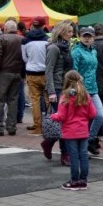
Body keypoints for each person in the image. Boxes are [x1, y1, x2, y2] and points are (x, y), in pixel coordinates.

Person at [49, 70, 97, 191]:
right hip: (83, 131)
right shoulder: (85, 95)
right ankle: (83, 181)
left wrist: (52, 116)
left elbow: (61, 116)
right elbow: (93, 113)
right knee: (84, 155)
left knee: (74, 156)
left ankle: (74, 181)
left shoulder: (65, 96)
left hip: (70, 132)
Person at [44, 20, 75, 165]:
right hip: (57, 88)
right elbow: (48, 70)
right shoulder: (54, 48)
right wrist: (51, 92)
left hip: (67, 88)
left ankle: (49, 143)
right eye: (69, 31)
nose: (71, 34)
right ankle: (65, 154)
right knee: (62, 122)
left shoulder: (66, 47)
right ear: (61, 32)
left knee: (66, 121)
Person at [72, 26, 103, 156]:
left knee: (99, 116)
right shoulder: (76, 52)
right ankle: (82, 146)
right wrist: (77, 87)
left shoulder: (94, 52)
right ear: (80, 37)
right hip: (81, 89)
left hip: (93, 88)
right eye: (84, 36)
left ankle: (90, 139)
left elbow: (94, 70)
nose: (87, 38)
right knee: (83, 119)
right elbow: (73, 71)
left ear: (93, 38)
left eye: (89, 36)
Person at [0, 20, 25, 136]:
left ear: (5, 28)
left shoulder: (2, 39)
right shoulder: (22, 39)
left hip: (4, 72)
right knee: (13, 100)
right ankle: (11, 126)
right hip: (17, 72)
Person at [21, 17, 50, 134]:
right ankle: (49, 123)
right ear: (43, 26)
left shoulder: (25, 40)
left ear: (33, 25)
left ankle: (37, 126)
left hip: (32, 73)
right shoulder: (48, 40)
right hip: (45, 73)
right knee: (48, 100)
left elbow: (24, 58)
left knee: (35, 100)